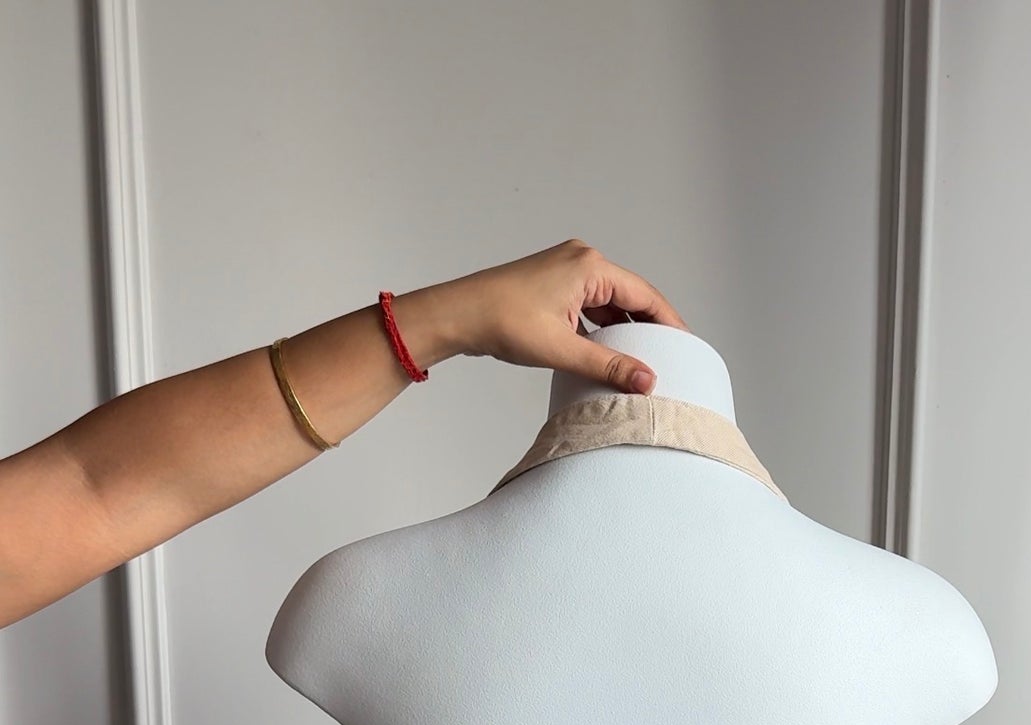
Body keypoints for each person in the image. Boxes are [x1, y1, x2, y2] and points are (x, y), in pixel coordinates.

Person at [0, 240, 685, 631]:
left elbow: (90, 491)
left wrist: (451, 318)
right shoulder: (374, 599)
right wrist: (450, 320)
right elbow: (89, 492)